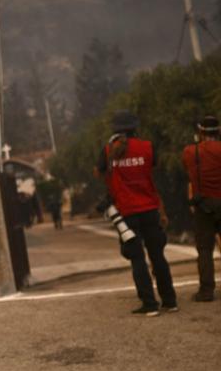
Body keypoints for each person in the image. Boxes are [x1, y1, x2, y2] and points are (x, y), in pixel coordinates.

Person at [95, 110, 177, 316]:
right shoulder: (148, 147)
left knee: (137, 259)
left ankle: (149, 305)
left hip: (127, 212)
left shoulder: (107, 150)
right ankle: (170, 301)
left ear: (115, 129)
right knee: (158, 255)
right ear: (135, 127)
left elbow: (99, 172)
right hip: (150, 208)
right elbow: (152, 168)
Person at [181, 115, 221, 302]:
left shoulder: (190, 151)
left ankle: (206, 291)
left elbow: (189, 173)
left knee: (205, 249)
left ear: (200, 132)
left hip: (203, 205)